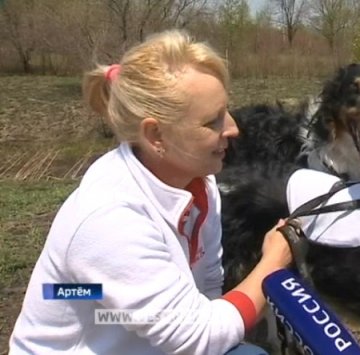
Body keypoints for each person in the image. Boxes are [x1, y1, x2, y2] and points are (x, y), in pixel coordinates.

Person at [9, 29, 292, 355]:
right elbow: (198, 337)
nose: (233, 128)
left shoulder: (200, 183)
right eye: (212, 121)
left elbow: (208, 287)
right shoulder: (111, 217)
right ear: (156, 134)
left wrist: (99, 298)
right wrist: (273, 262)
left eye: (226, 110)